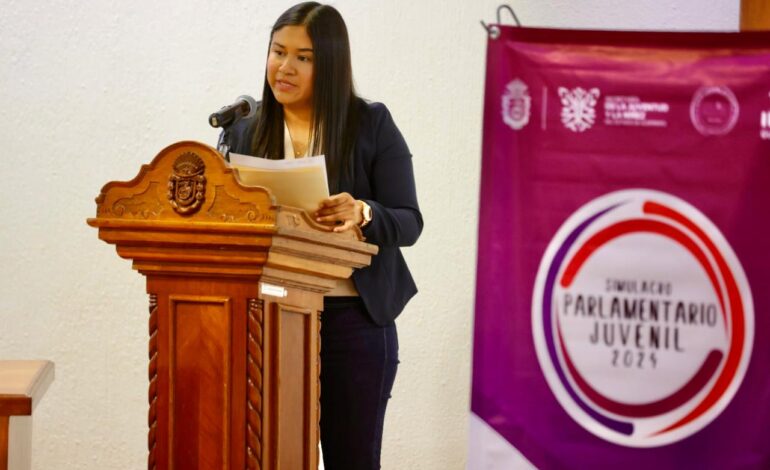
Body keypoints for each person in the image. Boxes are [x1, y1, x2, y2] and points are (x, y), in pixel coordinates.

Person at [221, 3, 422, 468]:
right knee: (273, 456)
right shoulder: (245, 132)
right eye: (278, 52)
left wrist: (363, 211)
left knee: (351, 459)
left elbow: (410, 220)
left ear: (329, 63)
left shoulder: (370, 124)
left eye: (304, 57)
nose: (285, 67)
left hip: (352, 321)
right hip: (270, 318)